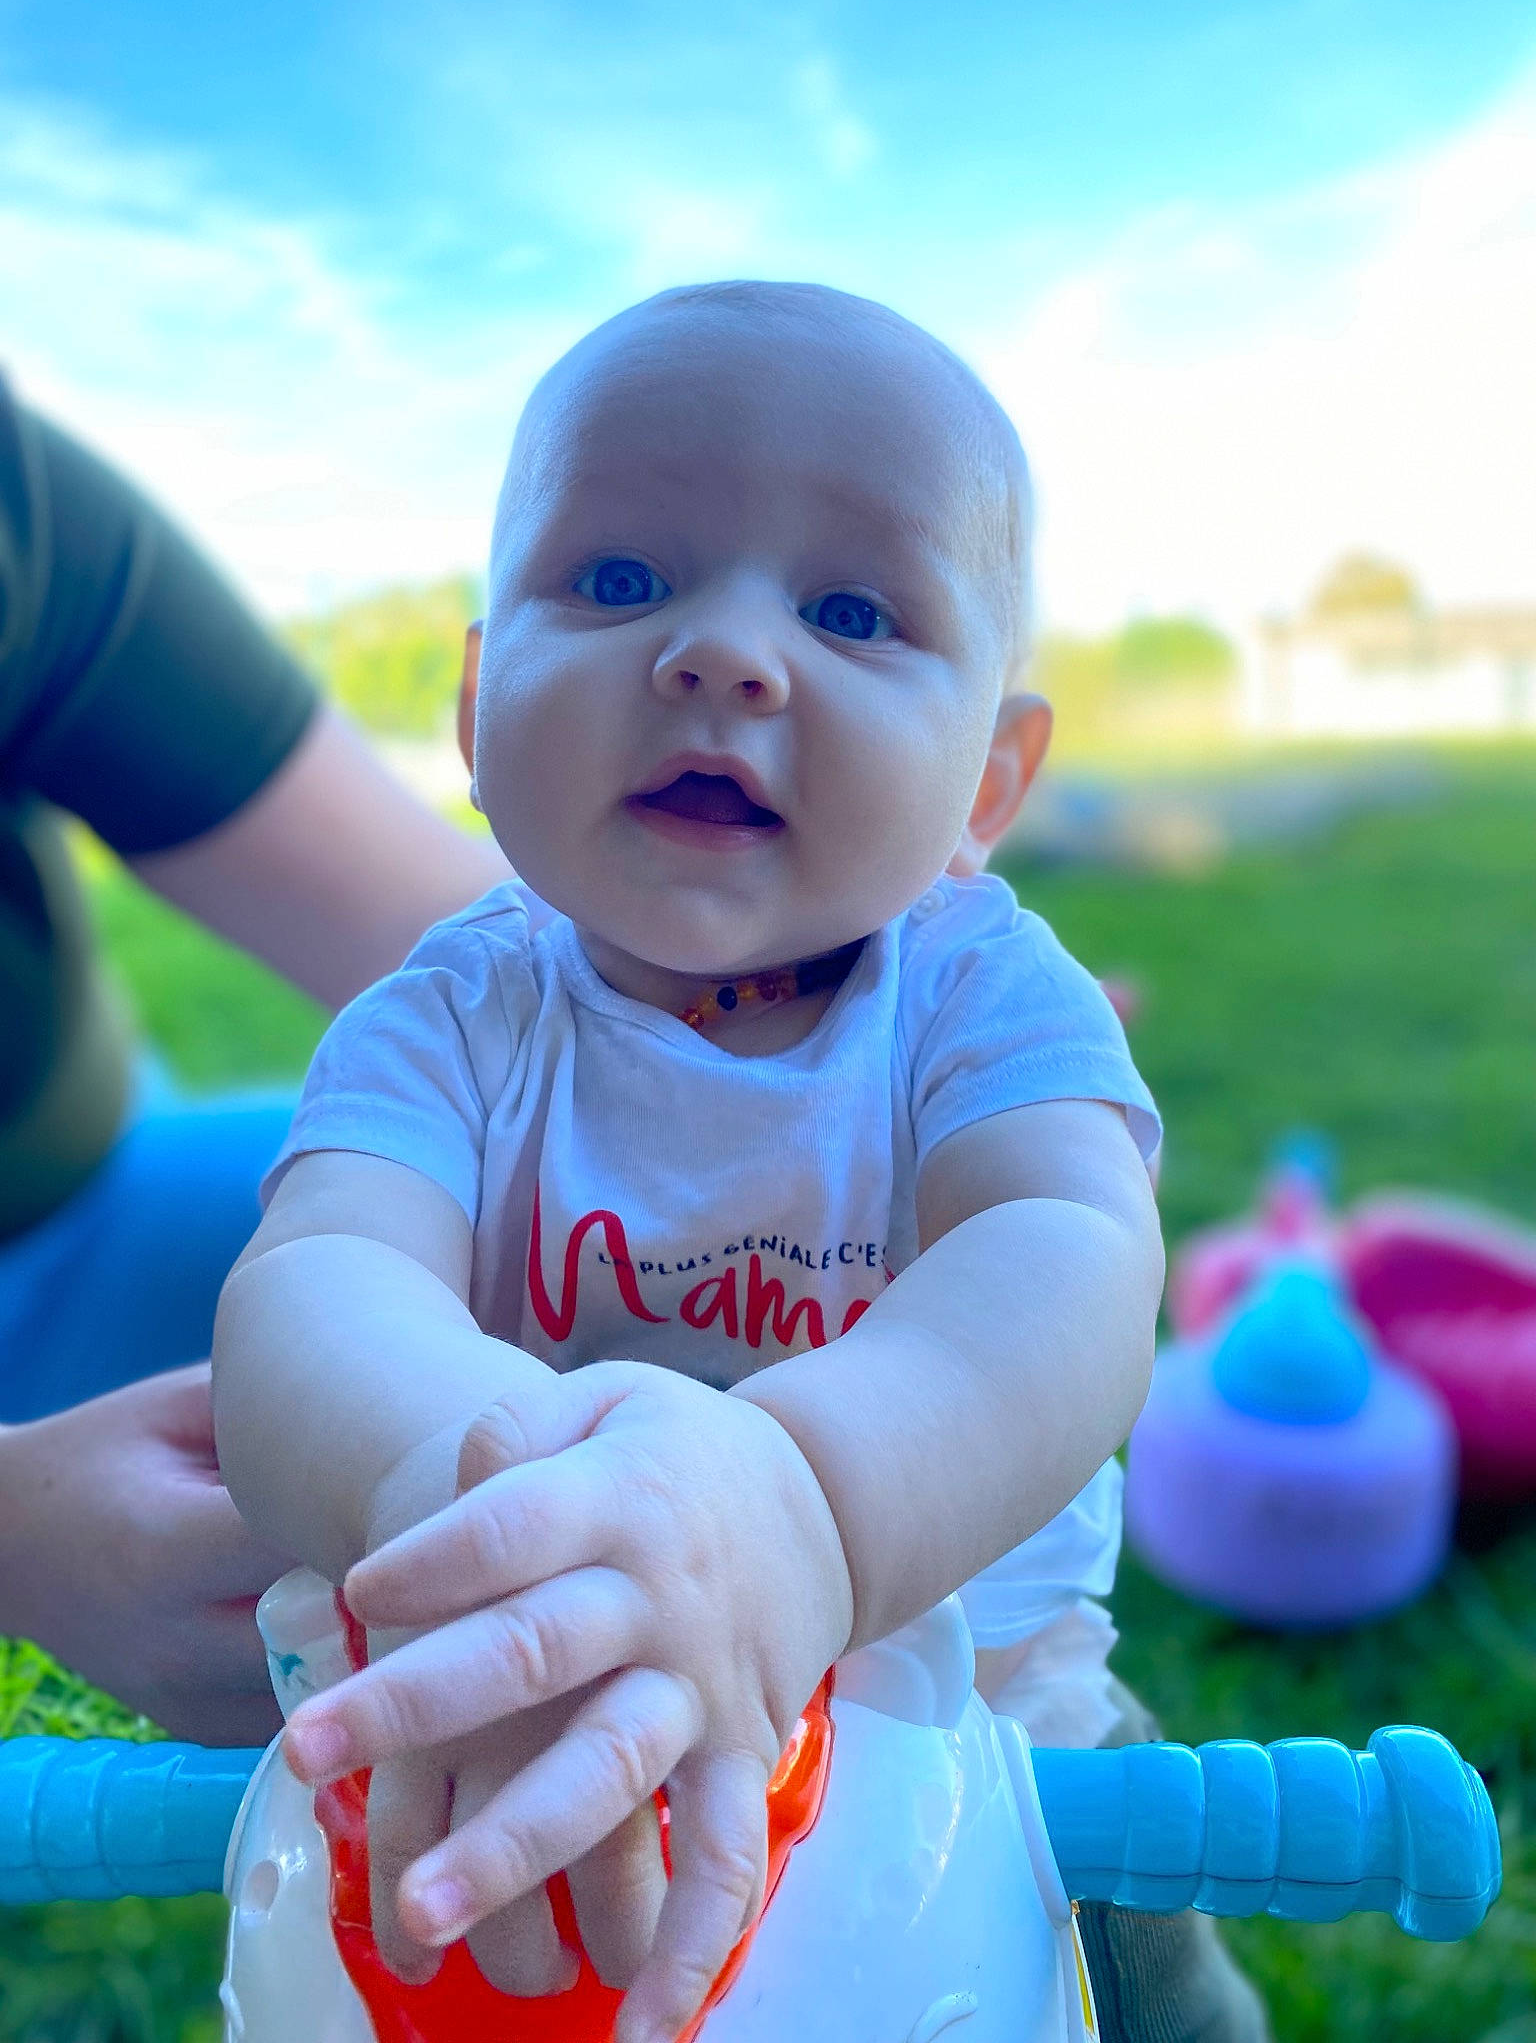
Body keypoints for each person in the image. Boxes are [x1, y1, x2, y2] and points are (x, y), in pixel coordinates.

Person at [213, 282, 1265, 2043]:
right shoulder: (450, 1023)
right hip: (534, 1730)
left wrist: (798, 1507)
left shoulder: (987, 1000)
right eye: (619, 580)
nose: (723, 654)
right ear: (478, 713)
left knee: (1151, 1975)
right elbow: (320, 1284)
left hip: (978, 1730)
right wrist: (473, 1508)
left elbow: (1070, 1260)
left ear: (990, 781)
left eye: (852, 609)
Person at [0, 385, 508, 1743]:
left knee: (584, 1249)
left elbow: (466, 956)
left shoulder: (15, 505)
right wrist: (15, 1536)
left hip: (94, 1211)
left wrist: (840, 1028)